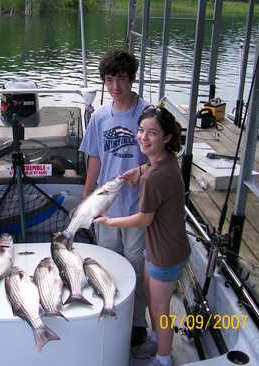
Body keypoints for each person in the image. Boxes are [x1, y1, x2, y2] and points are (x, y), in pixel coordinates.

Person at [94, 105, 190, 366]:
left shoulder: (159, 177)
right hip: (155, 246)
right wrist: (138, 171)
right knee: (148, 295)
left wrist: (110, 220)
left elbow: (144, 219)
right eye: (141, 131)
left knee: (160, 309)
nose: (143, 138)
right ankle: (158, 339)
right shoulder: (163, 162)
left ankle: (164, 357)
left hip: (166, 253)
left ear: (168, 138)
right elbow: (151, 165)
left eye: (153, 134)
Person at [79, 48, 149, 346]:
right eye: (109, 80)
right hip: (106, 205)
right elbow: (94, 156)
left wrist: (141, 172)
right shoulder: (100, 116)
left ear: (132, 79)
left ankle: (136, 323)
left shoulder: (147, 115)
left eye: (121, 78)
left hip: (136, 206)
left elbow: (161, 158)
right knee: (109, 262)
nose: (115, 86)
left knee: (135, 265)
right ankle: (113, 314)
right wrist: (86, 195)